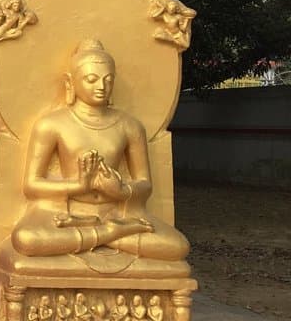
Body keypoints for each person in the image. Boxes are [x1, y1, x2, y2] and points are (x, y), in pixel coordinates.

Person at [11, 39, 189, 263]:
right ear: (71, 83)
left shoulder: (130, 126)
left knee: (177, 246)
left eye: (108, 79)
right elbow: (32, 184)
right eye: (91, 79)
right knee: (26, 239)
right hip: (65, 215)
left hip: (115, 212)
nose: (101, 87)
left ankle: (99, 235)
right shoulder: (51, 125)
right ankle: (112, 235)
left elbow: (145, 183)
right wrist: (79, 185)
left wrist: (121, 190)